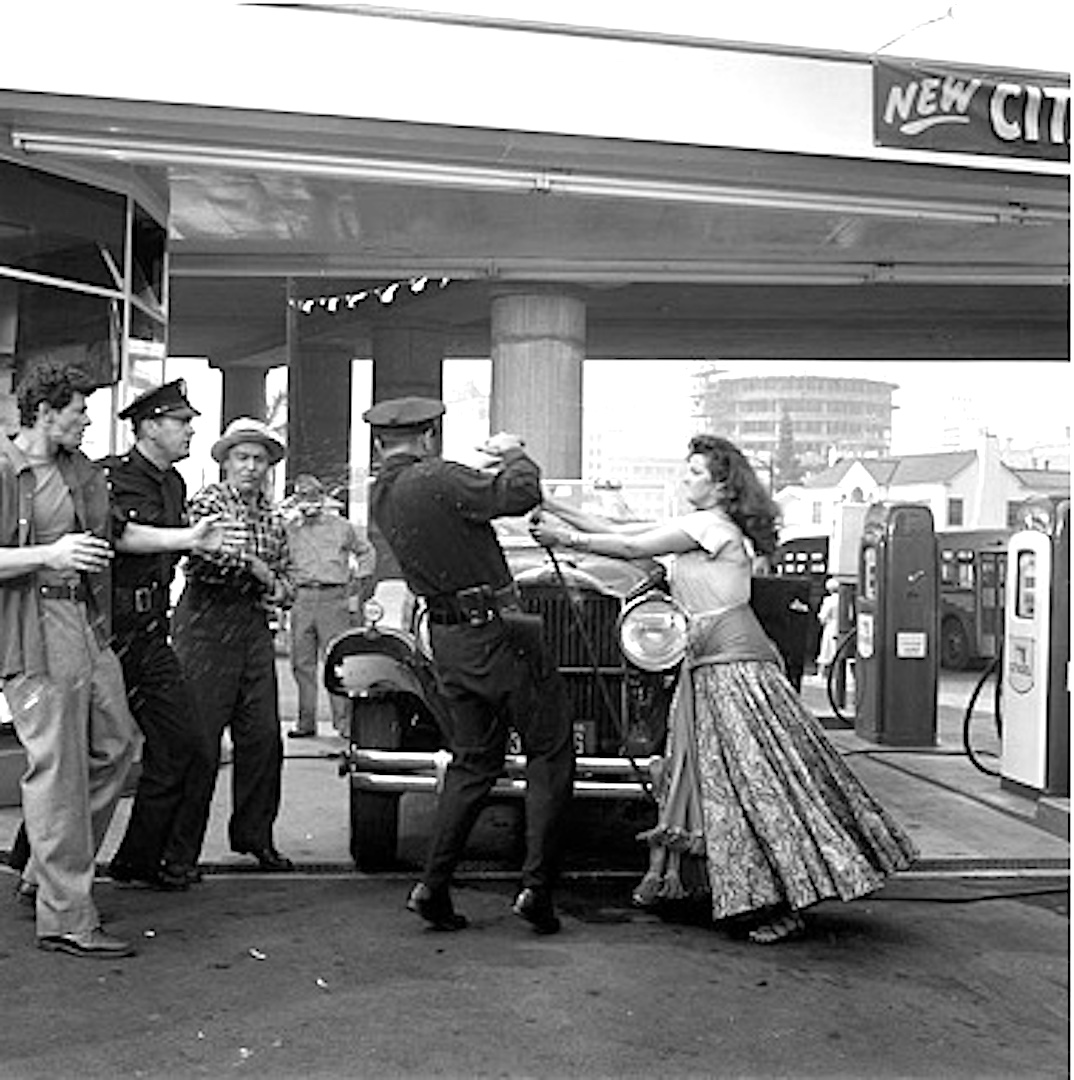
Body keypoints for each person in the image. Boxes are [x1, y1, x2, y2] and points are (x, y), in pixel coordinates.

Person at [531, 433, 917, 944]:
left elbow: (627, 545)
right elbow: (622, 528)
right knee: (742, 784)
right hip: (718, 665)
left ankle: (781, 902)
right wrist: (553, 508)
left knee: (755, 785)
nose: (684, 478)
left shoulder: (709, 527)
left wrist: (565, 538)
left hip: (732, 667)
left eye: (694, 472)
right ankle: (764, 894)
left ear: (719, 486)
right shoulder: (709, 525)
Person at [364, 396, 574, 935]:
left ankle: (433, 886)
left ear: (381, 443)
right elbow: (521, 491)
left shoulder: (383, 494)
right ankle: (536, 890)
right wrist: (513, 453)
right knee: (549, 750)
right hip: (499, 634)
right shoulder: (436, 478)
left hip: (450, 638)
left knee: (472, 762)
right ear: (431, 435)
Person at [0, 361, 140, 958]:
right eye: (79, 410)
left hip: (84, 622)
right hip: (33, 628)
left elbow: (115, 537)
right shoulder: (6, 470)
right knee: (58, 774)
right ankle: (66, 917)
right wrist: (47, 553)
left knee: (117, 747)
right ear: (45, 410)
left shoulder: (75, 468)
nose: (87, 420)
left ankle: (44, 876)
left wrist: (192, 539)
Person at [102, 380, 247, 890]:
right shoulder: (110, 478)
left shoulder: (173, 484)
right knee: (93, 755)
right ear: (147, 427)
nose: (190, 430)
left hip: (150, 635)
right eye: (181, 421)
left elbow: (169, 546)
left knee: (182, 744)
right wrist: (190, 538)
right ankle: (37, 863)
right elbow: (120, 535)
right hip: (108, 637)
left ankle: (139, 860)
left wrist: (207, 548)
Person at [169, 417, 296, 873]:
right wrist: (263, 574)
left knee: (263, 737)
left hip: (253, 627)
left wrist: (273, 583)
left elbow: (288, 582)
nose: (252, 467)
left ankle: (255, 837)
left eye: (260, 460)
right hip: (205, 622)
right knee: (201, 742)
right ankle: (180, 853)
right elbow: (214, 556)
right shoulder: (209, 502)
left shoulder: (274, 516)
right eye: (242, 458)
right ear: (225, 462)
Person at [282, 473, 375, 739]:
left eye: (312, 496)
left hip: (333, 597)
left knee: (337, 661)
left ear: (321, 498)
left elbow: (366, 551)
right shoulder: (290, 529)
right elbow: (278, 557)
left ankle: (343, 724)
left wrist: (358, 581)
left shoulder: (341, 527)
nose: (308, 502)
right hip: (301, 598)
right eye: (302, 496)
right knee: (301, 663)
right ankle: (306, 721)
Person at [816, 576, 842, 678]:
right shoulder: (844, 599)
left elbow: (823, 615)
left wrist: (822, 620)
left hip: (830, 625)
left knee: (825, 649)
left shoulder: (828, 600)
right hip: (840, 625)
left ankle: (821, 673)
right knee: (838, 650)